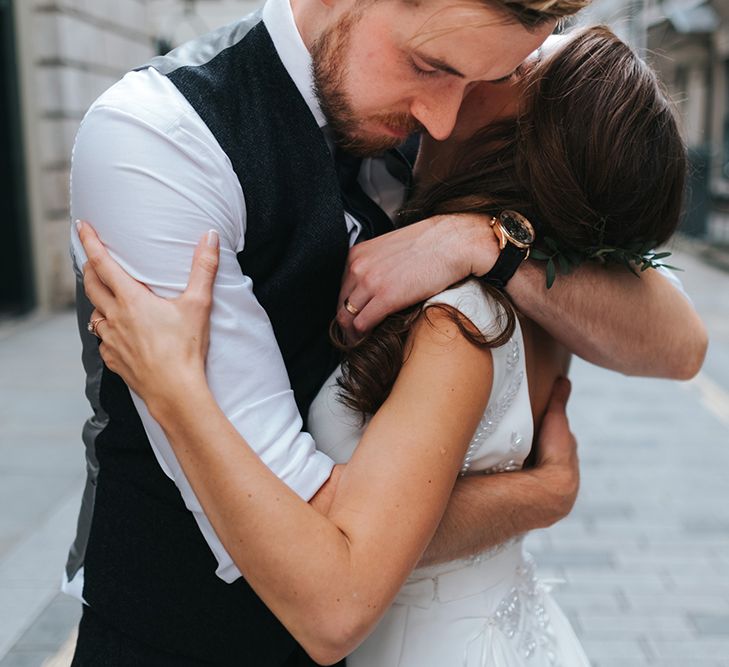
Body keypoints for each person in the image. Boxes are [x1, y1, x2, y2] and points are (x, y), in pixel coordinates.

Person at [77, 24, 696, 665]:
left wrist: (177, 390)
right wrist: (539, 494)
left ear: (530, 151)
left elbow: (346, 575)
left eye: (516, 69)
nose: (448, 104)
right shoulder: (170, 134)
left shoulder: (472, 310)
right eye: (435, 65)